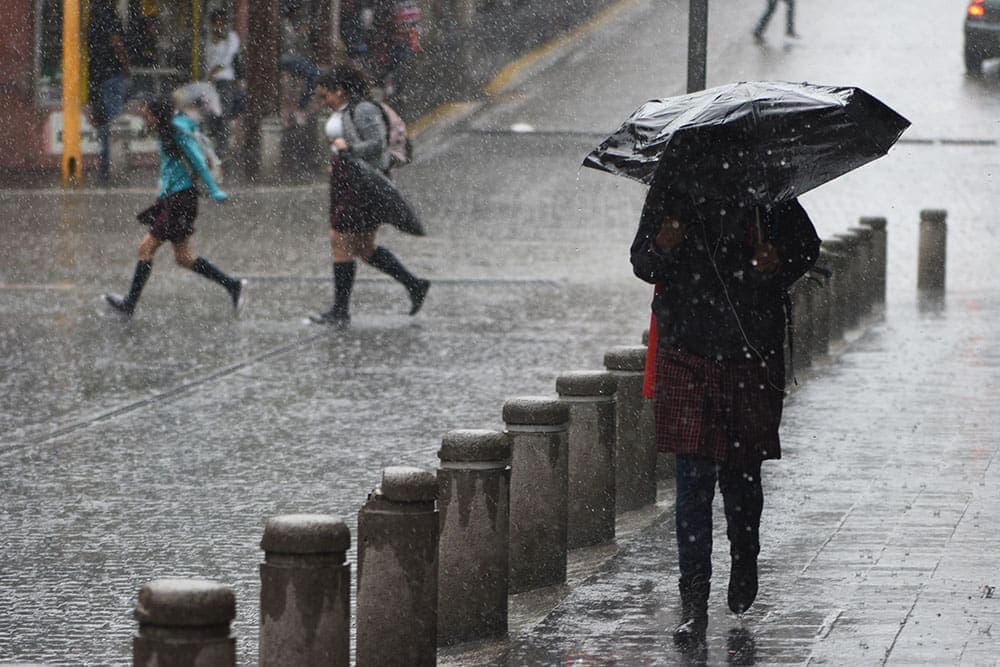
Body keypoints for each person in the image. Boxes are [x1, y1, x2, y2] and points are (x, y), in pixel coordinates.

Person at [630, 189, 820, 646]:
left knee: (741, 476)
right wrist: (664, 244)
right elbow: (642, 262)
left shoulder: (766, 191)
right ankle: (693, 603)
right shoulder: (672, 191)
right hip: (687, 351)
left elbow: (806, 248)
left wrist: (777, 260)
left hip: (749, 354)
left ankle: (745, 553)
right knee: (692, 485)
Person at [103, 96, 245, 318]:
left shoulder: (175, 132)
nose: (146, 119)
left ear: (157, 116)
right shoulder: (165, 132)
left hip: (181, 200)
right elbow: (170, 166)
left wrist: (214, 190)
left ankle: (129, 304)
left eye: (148, 115)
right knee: (184, 257)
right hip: (173, 198)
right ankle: (232, 285)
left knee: (146, 249)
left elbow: (197, 160)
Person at [310, 64, 429, 327]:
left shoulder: (362, 109)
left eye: (325, 95)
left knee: (340, 240)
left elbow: (378, 143)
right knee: (362, 247)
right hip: (352, 181)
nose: (323, 101)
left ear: (339, 91)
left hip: (362, 186)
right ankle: (414, 284)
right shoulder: (348, 110)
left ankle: (340, 311)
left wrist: (348, 149)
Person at [87, 0, 131, 181]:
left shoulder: (93, 18)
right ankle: (114, 165)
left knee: (105, 123)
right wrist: (126, 64)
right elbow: (117, 43)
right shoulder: (112, 17)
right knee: (114, 122)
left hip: (97, 76)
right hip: (112, 74)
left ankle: (105, 164)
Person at [203, 9, 243, 155]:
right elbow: (207, 59)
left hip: (224, 79)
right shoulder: (209, 39)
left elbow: (226, 59)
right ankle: (215, 140)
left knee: (223, 113)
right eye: (216, 22)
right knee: (212, 113)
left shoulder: (231, 38)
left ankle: (223, 145)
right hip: (210, 82)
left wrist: (213, 73)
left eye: (221, 22)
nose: (218, 25)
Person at [279, 11, 321, 114]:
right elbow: (289, 45)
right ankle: (303, 104)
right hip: (288, 59)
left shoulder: (298, 24)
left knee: (316, 73)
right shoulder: (284, 25)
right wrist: (299, 35)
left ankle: (304, 103)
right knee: (314, 73)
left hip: (298, 59)